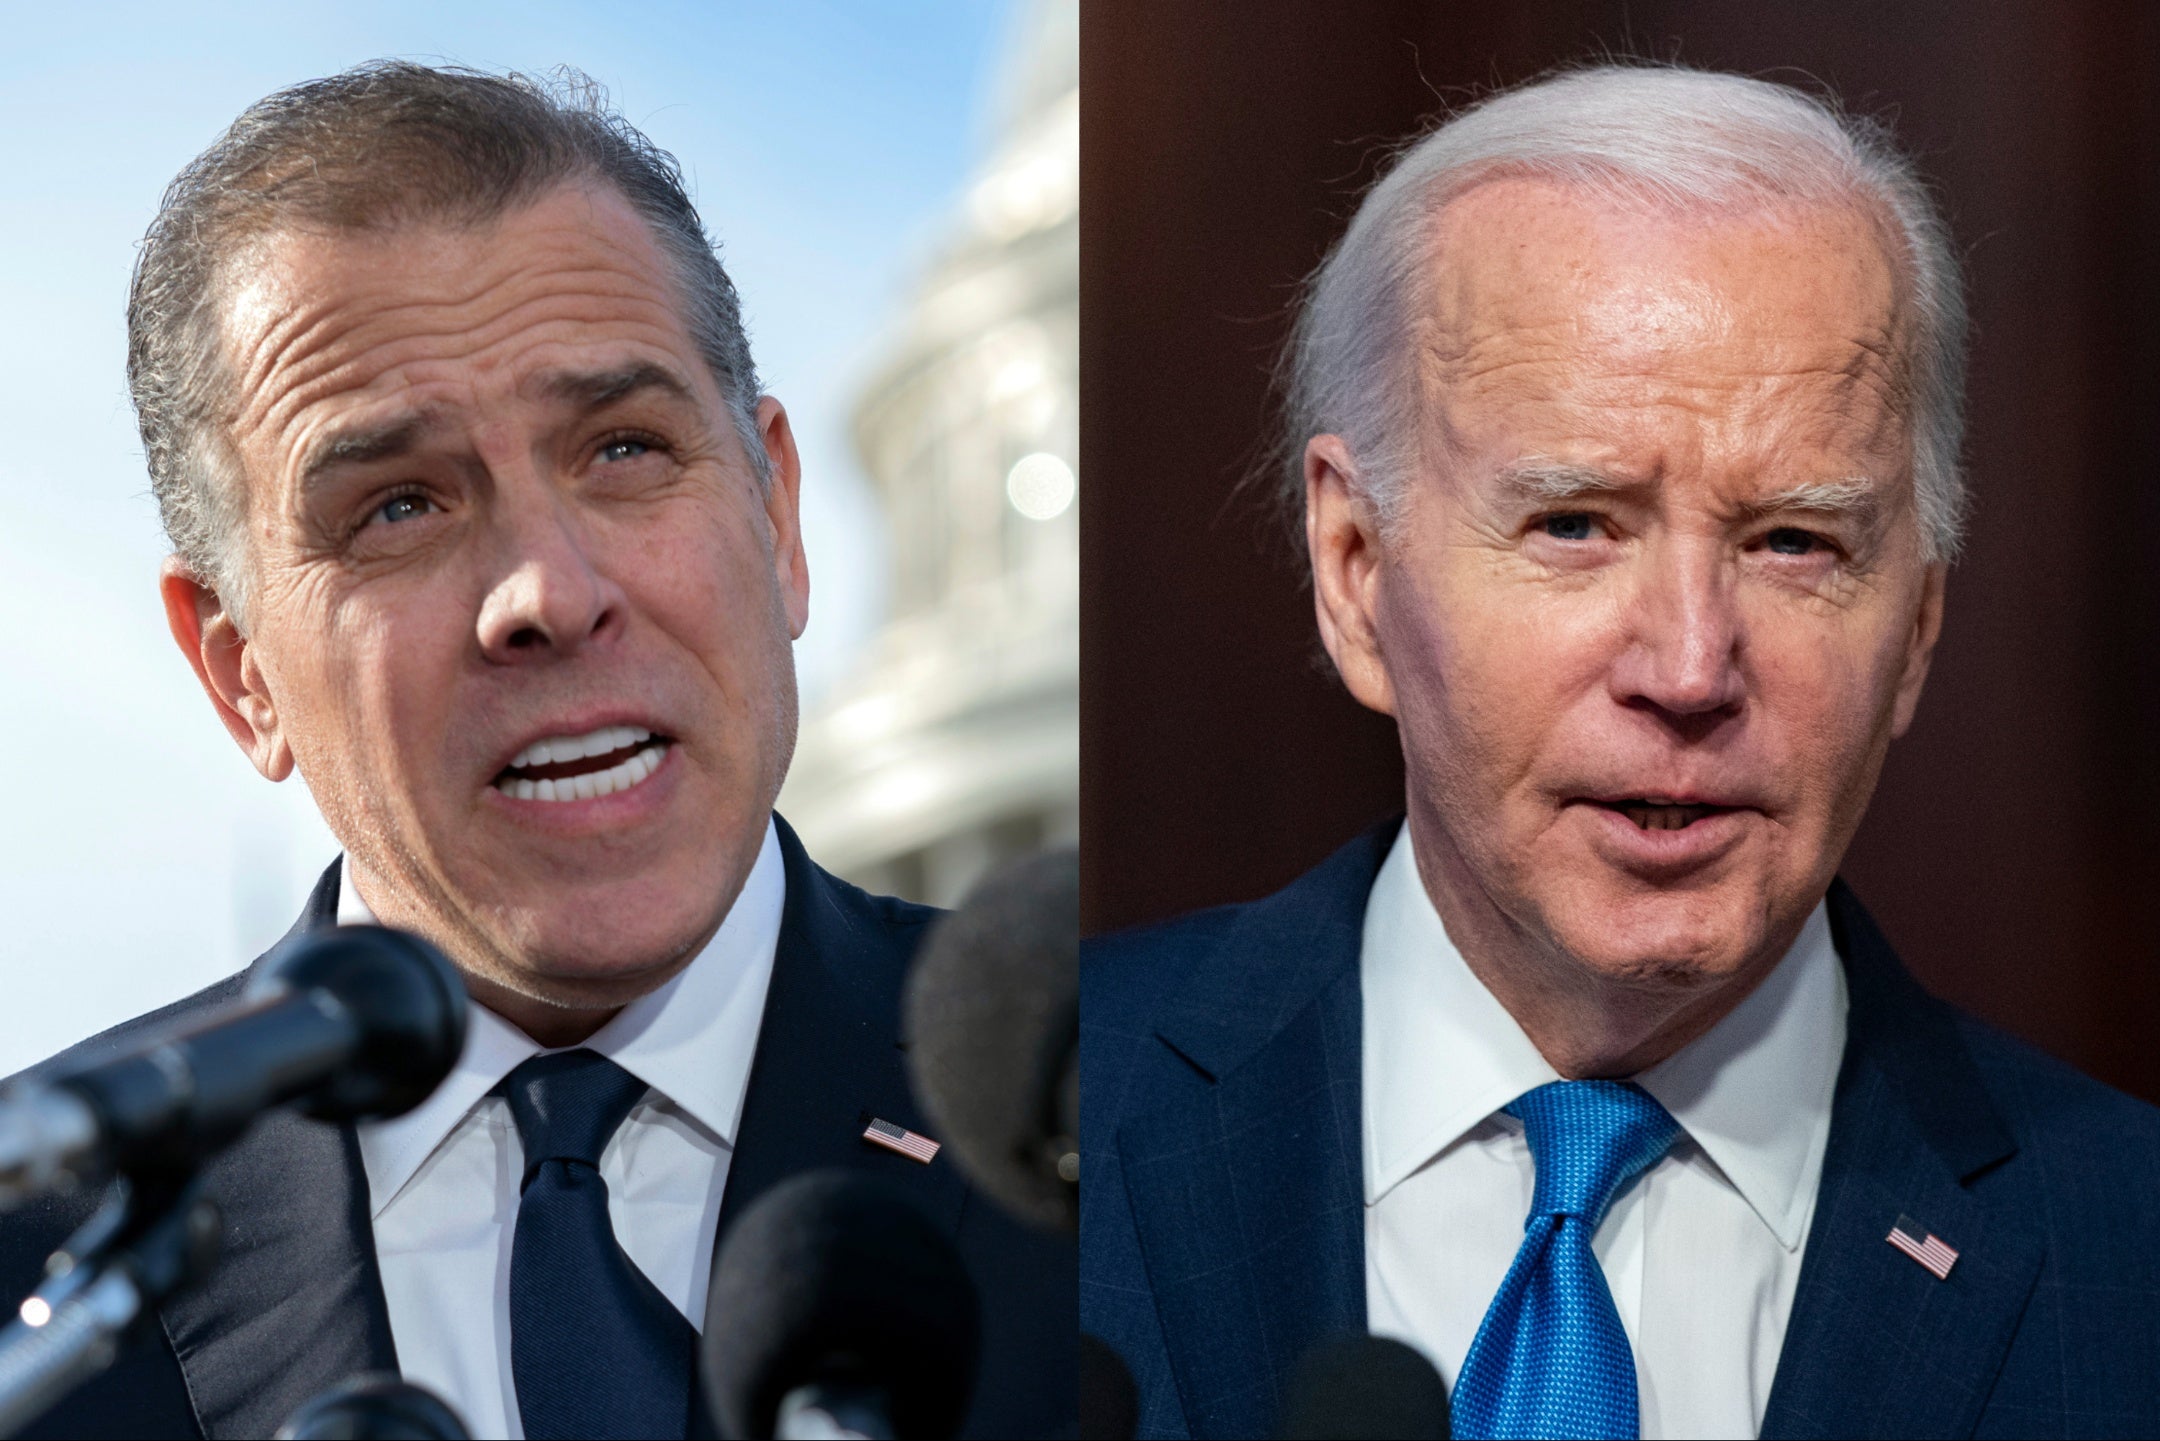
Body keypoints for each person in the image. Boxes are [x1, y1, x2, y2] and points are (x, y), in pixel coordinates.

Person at [1080, 64, 2160, 1439]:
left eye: (1795, 541)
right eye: (1578, 524)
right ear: (1355, 570)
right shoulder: (1035, 1129)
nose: (1692, 668)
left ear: (1921, 625)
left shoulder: (2128, 1259)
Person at [0, 63, 1071, 1440]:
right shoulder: (40, 1261)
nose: (549, 592)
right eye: (397, 507)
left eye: (623, 447)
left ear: (781, 519)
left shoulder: (1117, 1138)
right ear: (238, 669)